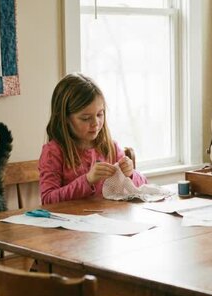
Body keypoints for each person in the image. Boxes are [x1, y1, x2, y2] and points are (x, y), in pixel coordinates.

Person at [39, 73, 148, 205]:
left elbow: (143, 187)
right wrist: (87, 180)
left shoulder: (110, 147)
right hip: (72, 223)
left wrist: (130, 174)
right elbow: (48, 200)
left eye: (99, 114)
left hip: (109, 220)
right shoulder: (53, 152)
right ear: (65, 118)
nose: (96, 123)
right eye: (85, 118)